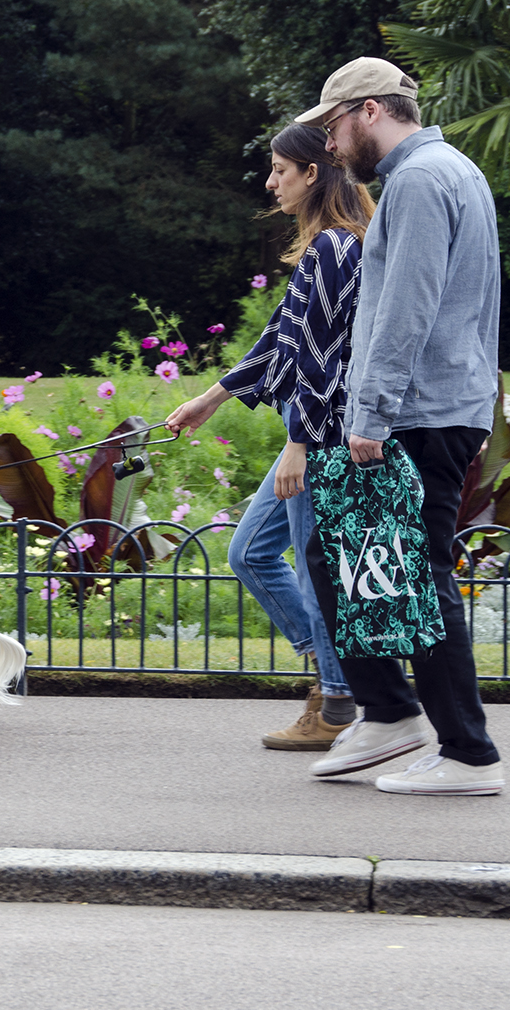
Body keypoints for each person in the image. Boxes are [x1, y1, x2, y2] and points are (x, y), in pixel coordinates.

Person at [295, 56, 504, 795]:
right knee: (333, 553)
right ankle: (388, 713)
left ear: (373, 110)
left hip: (418, 410)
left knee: (419, 573)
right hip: (446, 403)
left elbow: (405, 309)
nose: (329, 144)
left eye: (333, 124)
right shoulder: (456, 170)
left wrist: (371, 413)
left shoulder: (418, 181)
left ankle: (467, 753)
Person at [165, 122, 371, 750]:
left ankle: (336, 704)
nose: (270, 181)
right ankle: (337, 675)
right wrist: (209, 398)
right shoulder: (322, 248)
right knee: (250, 552)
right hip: (310, 428)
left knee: (314, 575)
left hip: (320, 433)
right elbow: (283, 337)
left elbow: (326, 355)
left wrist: (298, 443)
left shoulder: (338, 247)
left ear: (312, 173)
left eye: (281, 169)